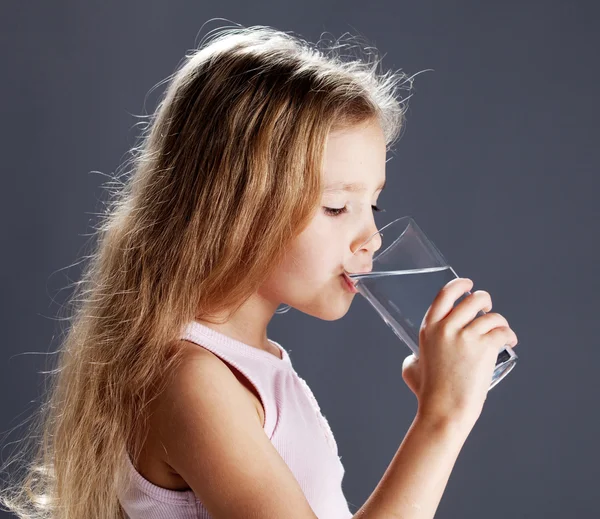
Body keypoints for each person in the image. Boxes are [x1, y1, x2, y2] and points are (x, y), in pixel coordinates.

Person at [0, 23, 519, 519]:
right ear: (240, 210)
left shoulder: (250, 368)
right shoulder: (192, 382)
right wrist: (443, 416)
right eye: (337, 208)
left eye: (374, 207)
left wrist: (444, 401)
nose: (373, 239)